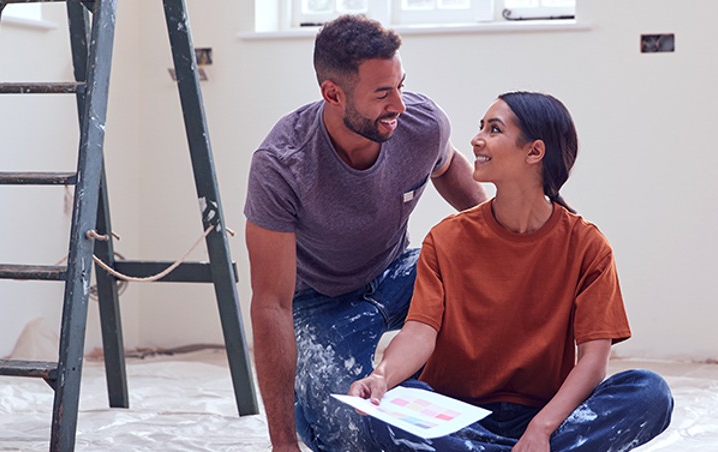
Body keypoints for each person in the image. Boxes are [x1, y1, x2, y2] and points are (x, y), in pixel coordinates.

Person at [349, 91, 674, 451]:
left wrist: (542, 428)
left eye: (494, 129)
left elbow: (594, 361)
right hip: (453, 412)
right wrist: (381, 377)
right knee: (389, 406)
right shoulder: (447, 238)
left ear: (534, 152)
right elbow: (420, 331)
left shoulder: (587, 246)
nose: (476, 139)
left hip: (543, 413)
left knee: (650, 392)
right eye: (480, 128)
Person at [243, 15, 487, 451]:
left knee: (481, 261)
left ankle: (493, 408)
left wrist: (527, 242)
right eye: (382, 93)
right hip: (319, 304)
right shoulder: (281, 165)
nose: (399, 104)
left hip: (397, 276)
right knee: (347, 434)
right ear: (333, 94)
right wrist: (282, 444)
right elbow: (271, 305)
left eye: (400, 85)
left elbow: (452, 174)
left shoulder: (421, 125)